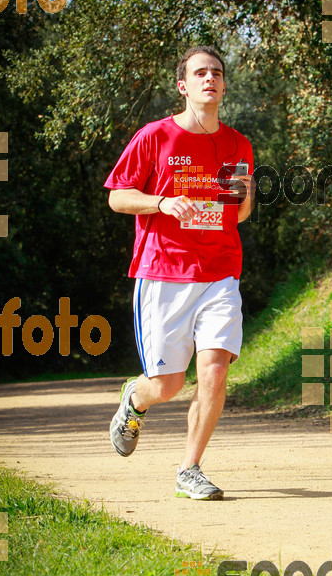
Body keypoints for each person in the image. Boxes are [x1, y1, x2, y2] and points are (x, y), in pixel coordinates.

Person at [104, 45, 254, 500]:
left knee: (213, 370)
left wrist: (243, 197)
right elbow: (117, 196)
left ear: (224, 86)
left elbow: (238, 213)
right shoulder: (155, 137)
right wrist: (162, 203)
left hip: (220, 271)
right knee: (168, 385)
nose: (210, 78)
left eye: (217, 73)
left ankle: (190, 468)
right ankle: (135, 397)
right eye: (200, 72)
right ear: (183, 85)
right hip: (164, 273)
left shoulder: (237, 144)